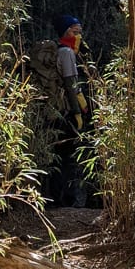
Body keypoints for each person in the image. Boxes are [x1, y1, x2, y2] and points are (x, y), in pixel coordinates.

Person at [51, 14, 89, 207]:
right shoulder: (66, 53)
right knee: (67, 155)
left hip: (60, 110)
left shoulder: (63, 51)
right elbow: (70, 83)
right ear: (66, 32)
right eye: (76, 32)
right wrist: (78, 111)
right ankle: (63, 199)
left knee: (63, 154)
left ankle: (60, 197)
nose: (79, 36)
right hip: (65, 111)